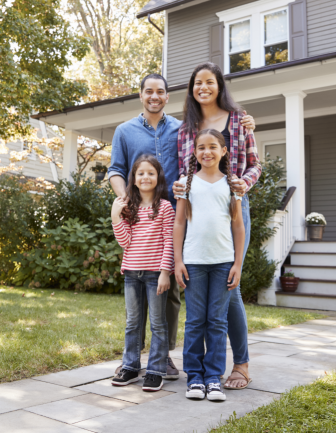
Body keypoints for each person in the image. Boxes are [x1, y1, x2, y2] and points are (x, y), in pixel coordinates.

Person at [108, 73, 255, 378]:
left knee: (217, 286)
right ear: (140, 94)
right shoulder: (156, 129)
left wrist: (241, 182)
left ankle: (232, 363)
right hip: (164, 216)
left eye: (160, 91)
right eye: (148, 91)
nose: (154, 96)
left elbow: (247, 161)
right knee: (169, 284)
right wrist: (128, 203)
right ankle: (151, 359)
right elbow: (118, 170)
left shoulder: (211, 124)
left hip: (209, 208)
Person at [173, 62, 261, 390]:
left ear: (219, 85)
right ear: (192, 89)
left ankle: (241, 365)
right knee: (201, 307)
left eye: (210, 82)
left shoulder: (239, 119)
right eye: (198, 83)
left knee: (231, 285)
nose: (204, 88)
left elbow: (255, 165)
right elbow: (183, 172)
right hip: (196, 209)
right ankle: (202, 371)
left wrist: (242, 184)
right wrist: (179, 188)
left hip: (233, 204)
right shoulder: (186, 128)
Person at [174, 129, 245, 401]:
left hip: (223, 263)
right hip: (193, 262)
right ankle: (194, 377)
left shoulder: (232, 185)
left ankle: (214, 377)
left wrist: (238, 263)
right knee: (195, 321)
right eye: (201, 147)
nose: (207, 152)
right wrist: (178, 261)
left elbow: (237, 225)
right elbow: (179, 223)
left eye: (213, 146)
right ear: (194, 152)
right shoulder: (186, 184)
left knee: (216, 321)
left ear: (224, 151)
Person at [111, 155, 175, 392]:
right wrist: (115, 216)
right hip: (131, 273)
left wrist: (164, 272)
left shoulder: (166, 207)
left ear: (158, 177)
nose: (145, 177)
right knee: (132, 323)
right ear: (134, 179)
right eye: (141, 173)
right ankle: (130, 366)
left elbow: (169, 241)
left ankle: (156, 370)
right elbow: (125, 242)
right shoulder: (129, 208)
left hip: (154, 274)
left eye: (150, 173)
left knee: (158, 323)